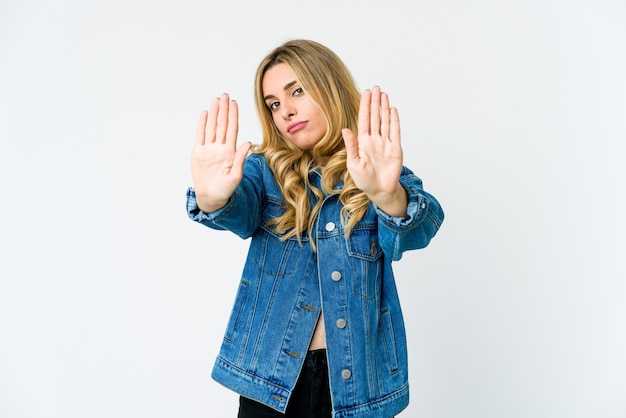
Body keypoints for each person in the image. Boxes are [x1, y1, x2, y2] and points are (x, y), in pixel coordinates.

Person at [186, 39, 444, 418]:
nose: (285, 111)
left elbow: (416, 230)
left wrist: (388, 196)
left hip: (359, 388)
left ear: (329, 87)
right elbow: (239, 211)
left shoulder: (376, 174)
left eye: (297, 91)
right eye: (273, 103)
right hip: (270, 383)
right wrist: (212, 200)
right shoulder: (264, 172)